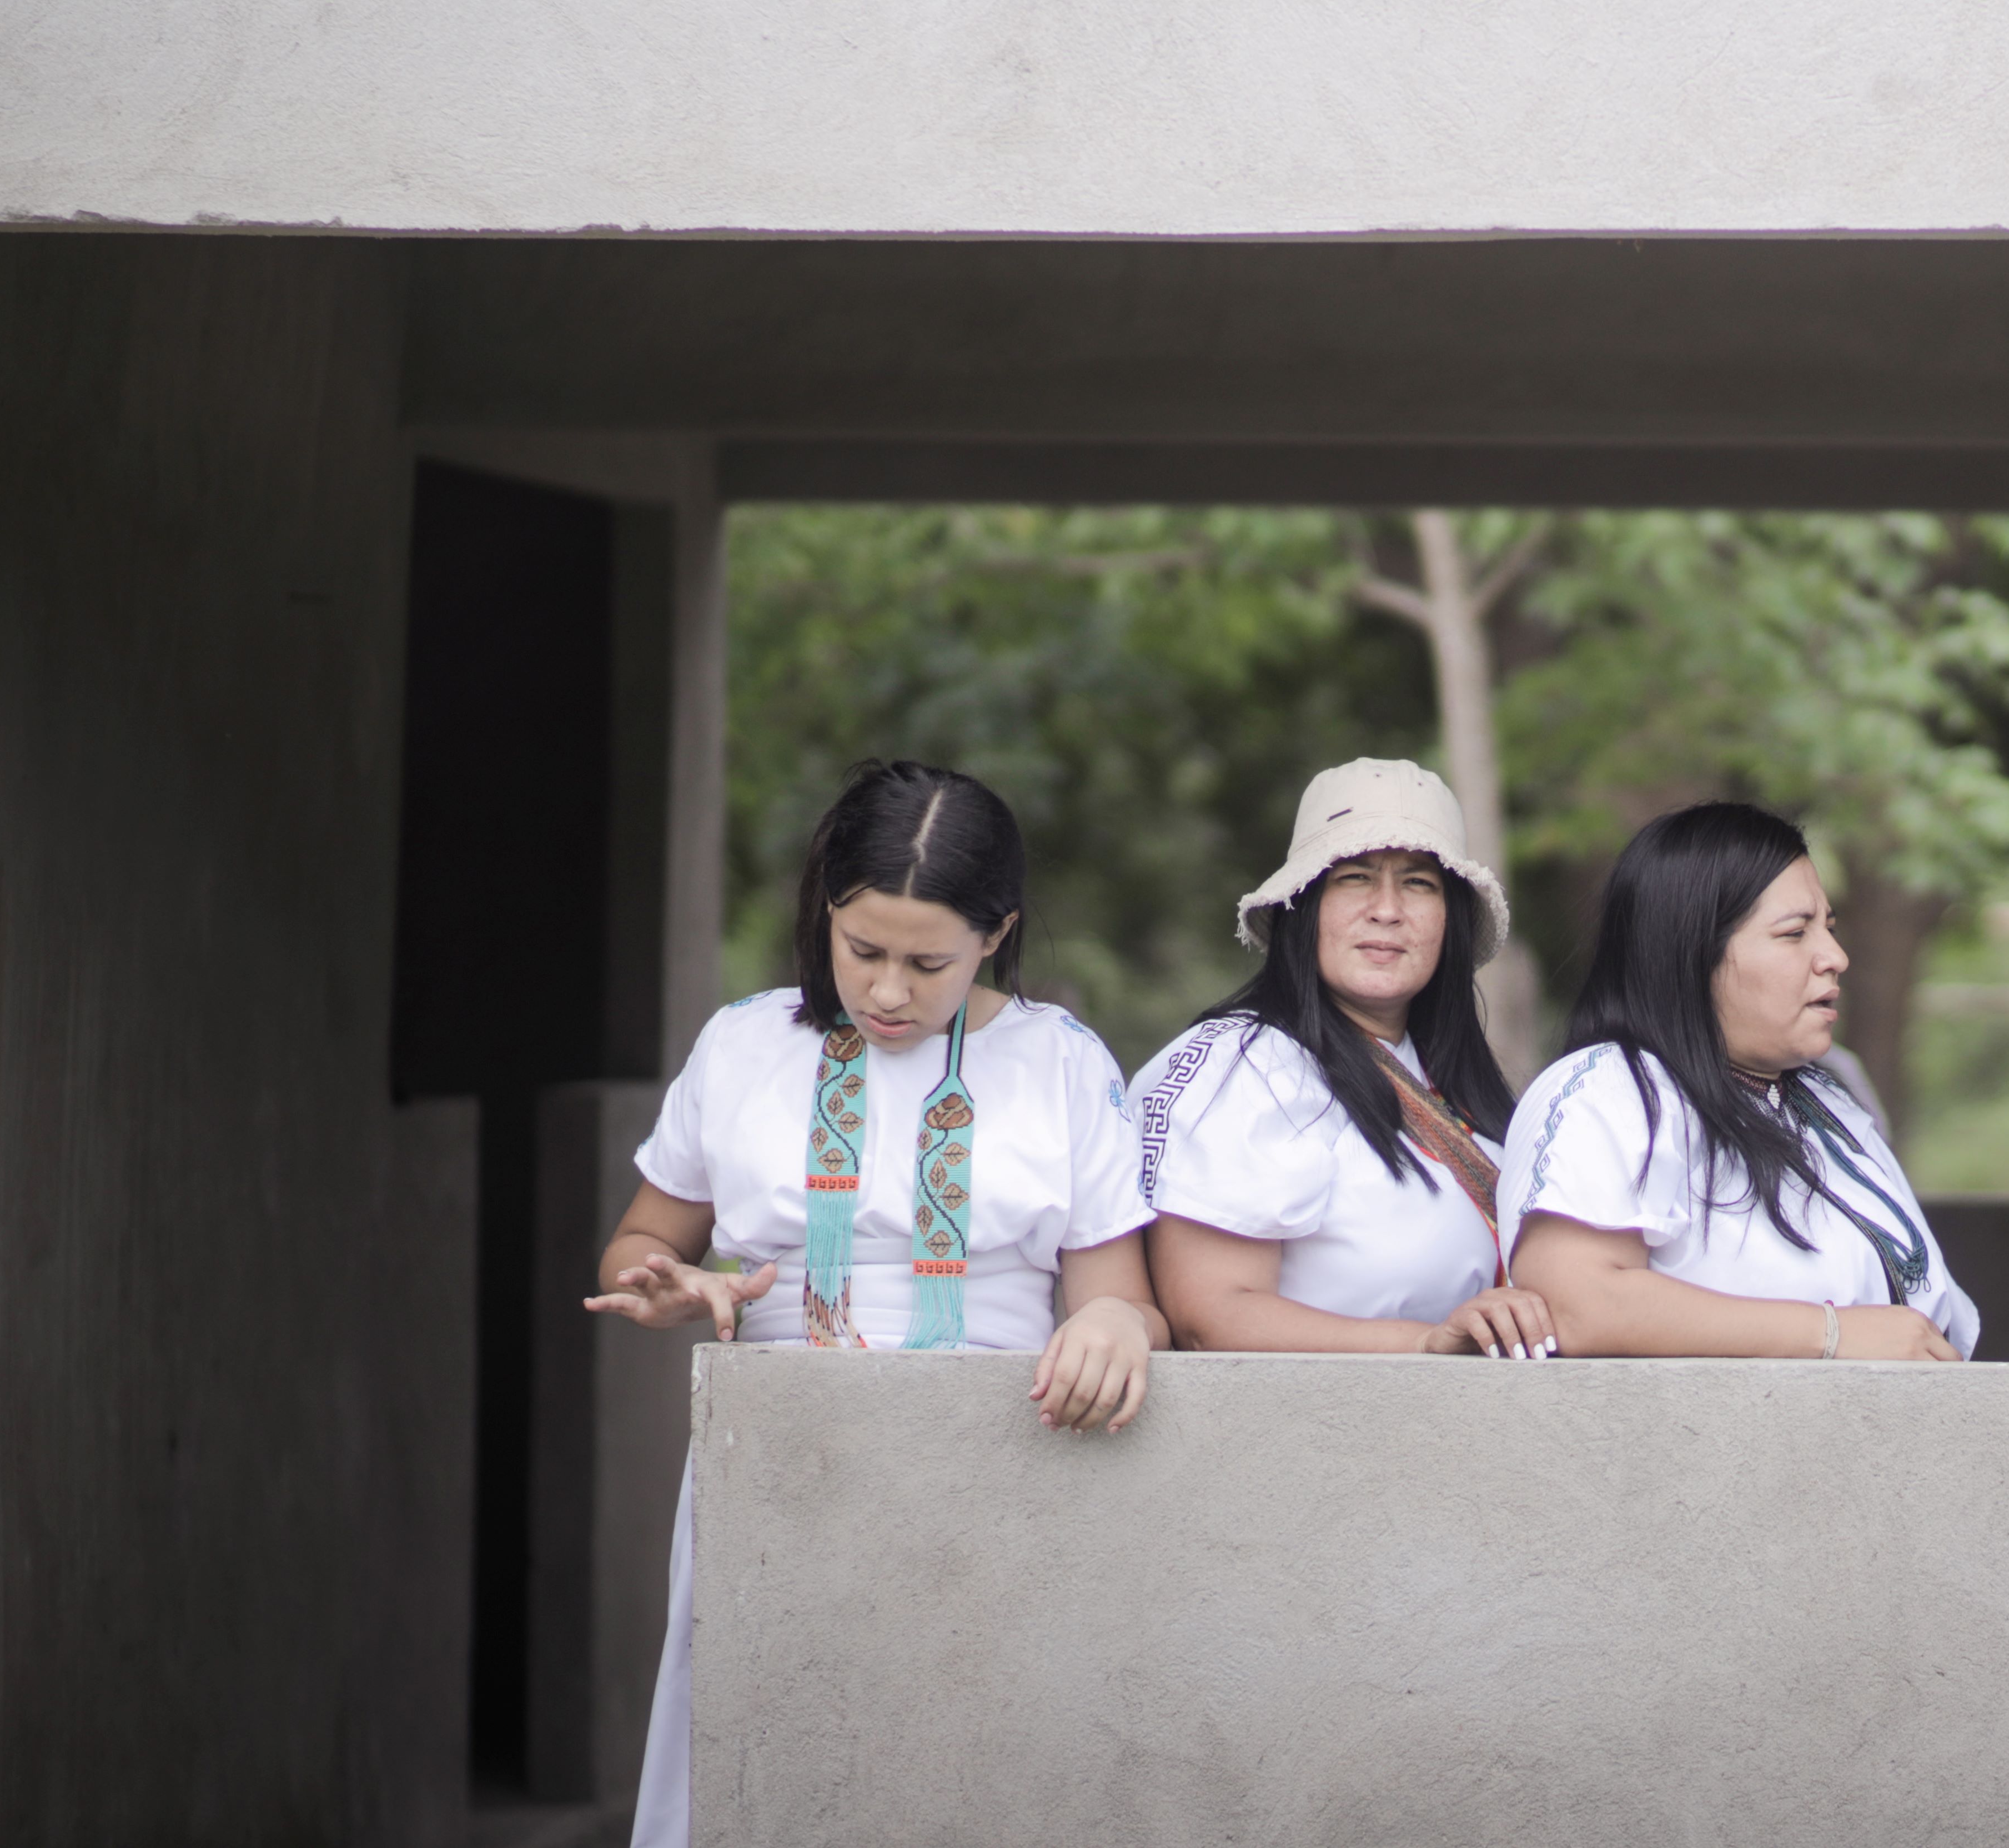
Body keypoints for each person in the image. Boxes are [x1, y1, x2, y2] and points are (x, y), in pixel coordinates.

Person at [585, 761, 1165, 1848]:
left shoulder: (1061, 1062)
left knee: (970, 1765)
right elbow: (642, 1245)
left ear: (997, 933)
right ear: (826, 916)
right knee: (760, 1751)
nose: (888, 990)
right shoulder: (745, 1044)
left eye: (926, 961)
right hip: (776, 1464)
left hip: (1005, 1468)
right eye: (863, 951)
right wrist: (673, 1284)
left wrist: (1108, 1324)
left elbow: (1124, 1306)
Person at [1501, 801, 1981, 1360]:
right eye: (1795, 933)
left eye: (1828, 928)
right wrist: (1832, 1333)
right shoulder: (1613, 1089)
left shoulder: (1823, 1101)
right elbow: (1577, 1305)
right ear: (1693, 951)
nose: (1835, 957)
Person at [1131, 757, 1556, 1355]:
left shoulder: (1457, 1085)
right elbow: (1210, 1315)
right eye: (1355, 877)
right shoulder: (1241, 1067)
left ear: (1449, 921)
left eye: (1419, 883)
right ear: (1303, 908)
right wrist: (1427, 1345)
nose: (1387, 909)